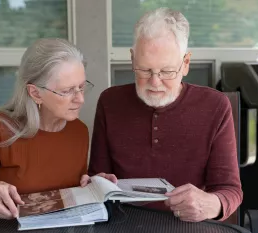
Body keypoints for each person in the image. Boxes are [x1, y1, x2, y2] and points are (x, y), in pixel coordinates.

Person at [87, 8, 243, 222]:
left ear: (186, 63)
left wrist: (211, 205)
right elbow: (97, 178)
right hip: (123, 224)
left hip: (188, 225)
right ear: (133, 60)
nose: (155, 82)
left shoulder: (215, 106)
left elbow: (230, 190)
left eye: (167, 71)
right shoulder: (109, 102)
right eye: (144, 70)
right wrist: (99, 183)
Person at [0, 38, 115, 224]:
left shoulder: (79, 131)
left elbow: (64, 192)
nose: (80, 99)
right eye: (67, 91)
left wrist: (92, 186)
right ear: (35, 93)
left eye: (82, 87)